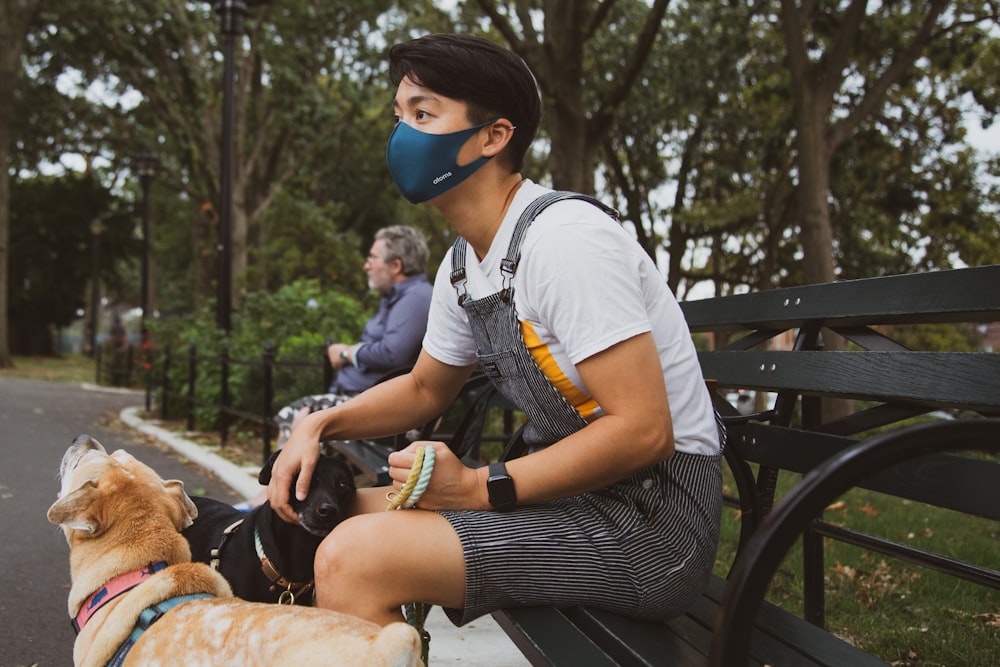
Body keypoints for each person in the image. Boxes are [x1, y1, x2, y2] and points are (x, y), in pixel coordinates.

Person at [268, 33, 723, 630]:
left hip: (650, 526)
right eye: (399, 116)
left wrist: (482, 486)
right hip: (568, 497)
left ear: (493, 136)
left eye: (423, 114)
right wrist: (317, 424)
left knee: (355, 559)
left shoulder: (563, 242)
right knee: (327, 519)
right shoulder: (467, 262)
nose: (401, 134)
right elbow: (426, 389)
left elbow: (644, 431)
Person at [272, 225, 433, 446]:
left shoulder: (417, 298)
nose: (366, 266)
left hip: (383, 410)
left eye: (373, 258)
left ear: (396, 266)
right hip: (360, 399)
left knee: (302, 419)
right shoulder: (396, 298)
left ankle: (287, 480)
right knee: (298, 416)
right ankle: (288, 479)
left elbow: (392, 353)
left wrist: (347, 353)